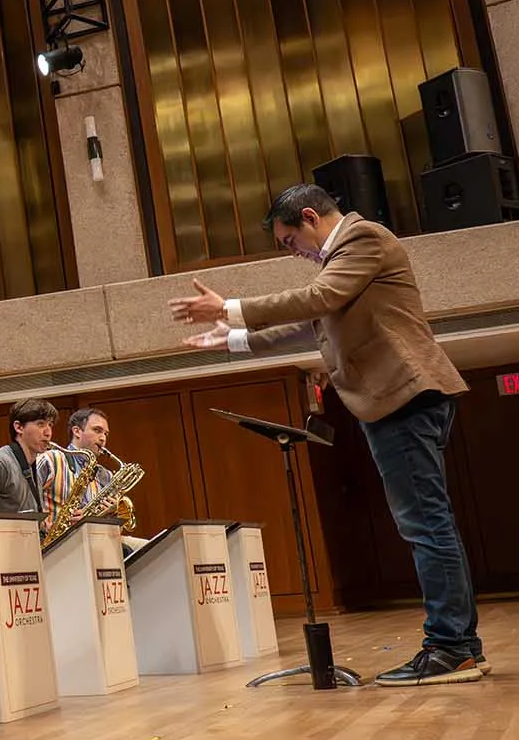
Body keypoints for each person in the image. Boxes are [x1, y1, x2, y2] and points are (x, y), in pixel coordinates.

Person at [170, 181, 484, 686]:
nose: (294, 252)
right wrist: (232, 339)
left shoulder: (363, 239)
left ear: (311, 217)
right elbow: (314, 320)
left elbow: (319, 297)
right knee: (427, 523)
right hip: (397, 398)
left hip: (402, 394)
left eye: (290, 241)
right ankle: (460, 644)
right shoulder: (339, 260)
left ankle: (449, 647)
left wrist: (229, 308)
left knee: (425, 526)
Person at [0, 398, 59, 515]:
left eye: (50, 425)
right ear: (19, 427)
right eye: (40, 424)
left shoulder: (33, 466)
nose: (48, 432)